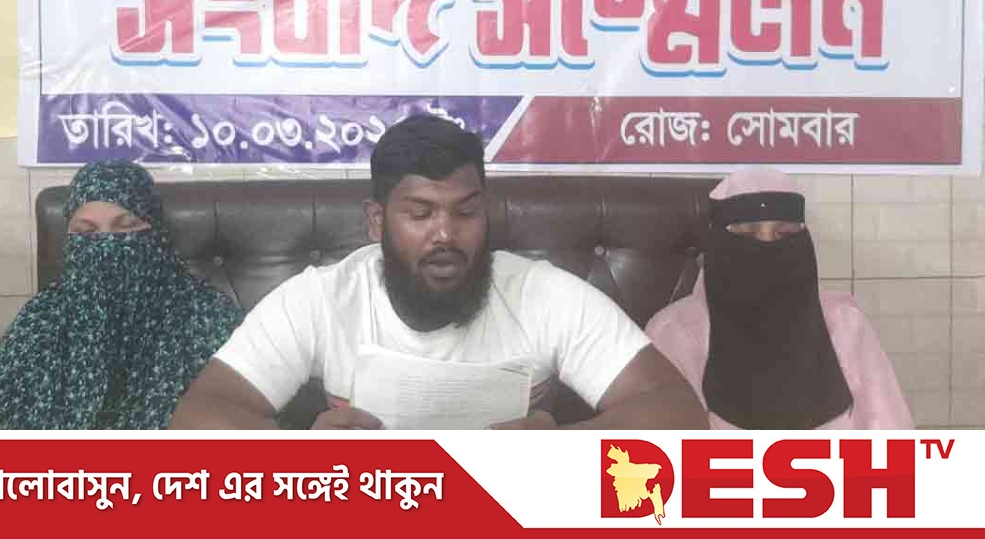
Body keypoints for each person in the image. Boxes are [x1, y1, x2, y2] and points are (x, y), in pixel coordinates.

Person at [170, 114, 708, 430]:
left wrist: (560, 449)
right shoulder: (321, 299)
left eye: (465, 212)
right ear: (376, 221)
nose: (446, 235)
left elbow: (677, 412)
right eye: (421, 214)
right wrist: (309, 458)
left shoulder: (543, 294)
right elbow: (198, 417)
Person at [0, 160, 244, 429]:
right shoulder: (43, 317)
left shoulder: (207, 316)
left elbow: (243, 419)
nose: (106, 244)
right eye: (86, 231)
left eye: (126, 227)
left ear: (156, 233)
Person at [646, 167, 912, 429]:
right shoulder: (675, 333)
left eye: (785, 235)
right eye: (746, 235)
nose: (766, 247)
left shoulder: (844, 324)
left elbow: (892, 438)